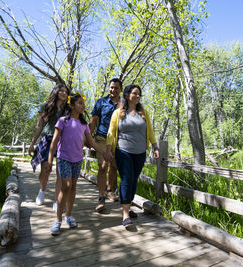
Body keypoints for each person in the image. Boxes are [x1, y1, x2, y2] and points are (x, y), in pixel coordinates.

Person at [48, 92, 111, 236]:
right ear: (71, 105)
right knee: (66, 186)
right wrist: (50, 159)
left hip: (77, 159)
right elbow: (54, 142)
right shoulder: (63, 121)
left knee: (73, 187)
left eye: (83, 103)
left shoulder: (83, 124)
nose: (83, 106)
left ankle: (68, 216)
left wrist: (103, 153)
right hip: (63, 158)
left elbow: (92, 142)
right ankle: (57, 220)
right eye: (80, 103)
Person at [106, 84, 160, 229]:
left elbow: (150, 130)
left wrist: (155, 146)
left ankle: (128, 206)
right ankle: (125, 214)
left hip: (140, 152)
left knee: (134, 180)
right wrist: (108, 149)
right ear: (128, 95)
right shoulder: (118, 113)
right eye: (135, 93)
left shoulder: (143, 113)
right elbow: (111, 132)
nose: (138, 96)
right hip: (123, 151)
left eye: (139, 94)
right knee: (126, 178)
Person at [29, 83, 69, 210]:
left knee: (60, 172)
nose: (63, 93)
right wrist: (32, 143)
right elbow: (39, 126)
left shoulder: (68, 109)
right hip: (47, 139)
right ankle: (42, 190)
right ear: (56, 92)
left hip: (63, 140)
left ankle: (57, 200)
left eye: (66, 92)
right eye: (61, 91)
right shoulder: (46, 107)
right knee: (46, 169)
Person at [89, 78, 122, 212]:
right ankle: (101, 198)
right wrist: (88, 138)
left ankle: (109, 190)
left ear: (120, 89)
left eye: (116, 88)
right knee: (103, 166)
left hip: (118, 139)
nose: (113, 90)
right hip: (102, 137)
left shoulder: (123, 103)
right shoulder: (101, 102)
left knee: (114, 166)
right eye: (111, 87)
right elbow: (93, 121)